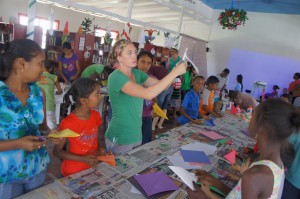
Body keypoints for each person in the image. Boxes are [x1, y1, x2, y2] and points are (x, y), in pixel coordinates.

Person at [188, 99, 300, 199]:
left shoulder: (254, 175)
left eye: (253, 116)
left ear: (261, 128)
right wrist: (216, 183)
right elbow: (240, 194)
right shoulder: (278, 164)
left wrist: (203, 197)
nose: (249, 119)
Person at [0, 39, 60, 198]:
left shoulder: (38, 93)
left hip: (37, 169)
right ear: (21, 63)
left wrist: (52, 134)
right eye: (40, 63)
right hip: (6, 176)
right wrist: (18, 143)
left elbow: (42, 128)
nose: (43, 69)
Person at [105, 39, 186, 155]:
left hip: (136, 134)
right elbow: (148, 94)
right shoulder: (116, 77)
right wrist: (174, 73)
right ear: (119, 56)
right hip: (120, 136)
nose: (134, 56)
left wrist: (174, 71)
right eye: (129, 53)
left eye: (135, 52)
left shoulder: (137, 74)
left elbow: (162, 86)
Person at [53, 78, 105, 177]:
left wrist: (101, 148)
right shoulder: (68, 123)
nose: (100, 97)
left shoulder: (96, 115)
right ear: (84, 100)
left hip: (91, 167)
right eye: (97, 94)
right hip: (73, 172)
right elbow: (57, 152)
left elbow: (96, 138)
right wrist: (83, 159)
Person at [38, 60, 63, 129]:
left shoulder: (36, 76)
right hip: (49, 104)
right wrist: (55, 92)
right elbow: (60, 91)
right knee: (50, 124)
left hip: (38, 104)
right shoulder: (54, 77)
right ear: (51, 68)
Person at [148, 61, 173, 130]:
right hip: (170, 88)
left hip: (163, 89)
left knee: (158, 107)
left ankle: (153, 126)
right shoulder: (165, 69)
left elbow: (151, 80)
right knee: (164, 107)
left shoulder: (152, 69)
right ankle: (160, 124)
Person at [136, 51, 154, 144]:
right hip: (134, 116)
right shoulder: (132, 79)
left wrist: (154, 107)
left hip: (147, 115)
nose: (145, 65)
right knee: (134, 143)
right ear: (136, 62)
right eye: (142, 62)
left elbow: (154, 94)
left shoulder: (151, 79)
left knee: (146, 142)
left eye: (148, 63)